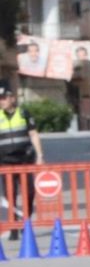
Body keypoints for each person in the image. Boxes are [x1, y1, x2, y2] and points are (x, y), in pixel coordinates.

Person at [0, 80, 44, 241]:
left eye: (4, 98)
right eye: (0, 99)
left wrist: (39, 155)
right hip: (5, 162)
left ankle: (26, 222)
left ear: (12, 98)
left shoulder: (23, 113)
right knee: (10, 195)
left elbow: (33, 134)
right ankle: (13, 226)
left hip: (24, 160)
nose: (2, 101)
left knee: (29, 192)